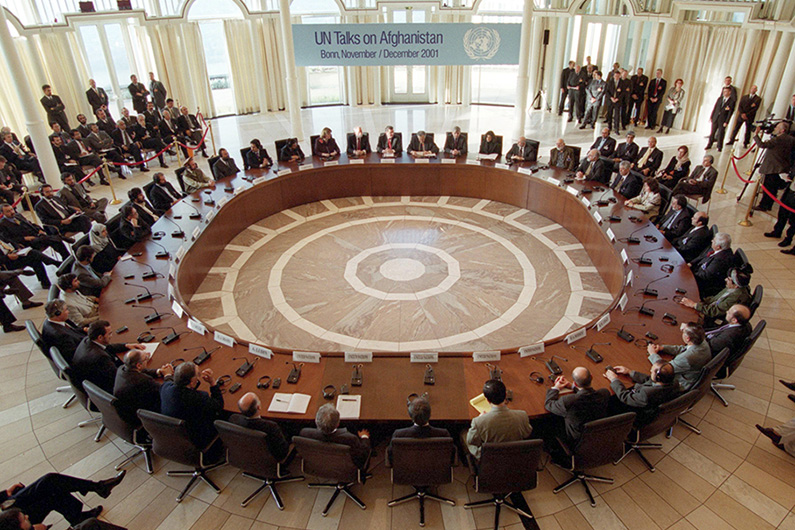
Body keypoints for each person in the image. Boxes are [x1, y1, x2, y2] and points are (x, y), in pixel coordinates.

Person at [0, 471, 125, 528]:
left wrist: (4, 495)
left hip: (7, 512)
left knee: (50, 482)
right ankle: (78, 517)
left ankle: (98, 487)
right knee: (52, 494)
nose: (26, 517)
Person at [160, 361, 225, 453]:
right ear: (191, 382)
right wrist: (213, 383)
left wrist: (167, 374)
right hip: (198, 439)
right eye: (197, 375)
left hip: (175, 437)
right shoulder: (199, 398)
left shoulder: (165, 388)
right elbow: (219, 405)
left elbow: (168, 381)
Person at [465, 379, 532, 460]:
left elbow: (471, 441)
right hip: (516, 460)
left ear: (487, 400)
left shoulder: (478, 422)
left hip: (490, 462)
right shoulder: (522, 416)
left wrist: (481, 418)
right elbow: (527, 433)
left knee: (463, 434)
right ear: (506, 395)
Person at [72, 320, 144, 394]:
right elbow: (121, 376)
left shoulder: (88, 340)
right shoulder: (100, 357)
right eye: (109, 334)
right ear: (100, 337)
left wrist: (126, 346)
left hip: (91, 380)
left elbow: (106, 347)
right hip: (108, 389)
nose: (111, 336)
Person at [545, 367, 609, 445]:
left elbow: (549, 404)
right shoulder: (604, 393)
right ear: (591, 377)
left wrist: (556, 388)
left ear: (575, 383)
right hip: (599, 436)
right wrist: (572, 387)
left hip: (578, 442)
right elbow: (588, 394)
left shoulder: (568, 401)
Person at [604, 361, 680, 424]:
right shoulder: (673, 383)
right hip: (649, 405)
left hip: (638, 415)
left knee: (610, 399)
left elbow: (625, 397)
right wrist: (629, 372)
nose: (650, 371)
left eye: (652, 371)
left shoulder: (646, 393)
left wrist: (614, 379)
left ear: (658, 377)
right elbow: (649, 380)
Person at [300, 403, 370, 469]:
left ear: (316, 422)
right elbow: (362, 456)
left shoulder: (305, 433)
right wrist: (364, 437)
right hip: (345, 469)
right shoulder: (350, 439)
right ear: (338, 424)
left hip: (318, 466)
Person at [114, 349, 173, 426]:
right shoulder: (143, 381)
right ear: (138, 365)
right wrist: (168, 375)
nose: (147, 359)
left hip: (128, 409)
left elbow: (141, 371)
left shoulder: (122, 368)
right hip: (140, 417)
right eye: (146, 358)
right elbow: (165, 391)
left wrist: (159, 371)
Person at [648, 322, 711, 391]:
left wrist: (652, 353)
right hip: (693, 373)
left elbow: (664, 369)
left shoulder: (686, 358)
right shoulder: (702, 341)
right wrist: (662, 348)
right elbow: (684, 348)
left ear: (687, 338)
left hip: (681, 383)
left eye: (683, 332)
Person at [387, 396, 449, 465]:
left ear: (410, 416)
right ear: (430, 414)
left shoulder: (398, 435)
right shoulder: (443, 435)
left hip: (406, 473)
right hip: (436, 474)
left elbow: (391, 457)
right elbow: (450, 457)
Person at [679, 268, 752, 326]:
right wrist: (699, 302)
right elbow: (714, 299)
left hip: (710, 318)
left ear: (736, 285)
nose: (725, 279)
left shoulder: (736, 297)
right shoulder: (732, 288)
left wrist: (694, 305)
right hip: (706, 308)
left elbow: (714, 311)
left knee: (681, 317)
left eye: (729, 279)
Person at [229, 392, 290, 461]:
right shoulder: (271, 427)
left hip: (248, 453)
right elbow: (283, 450)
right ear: (259, 407)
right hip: (273, 457)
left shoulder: (234, 419)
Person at [0, 202, 70, 260]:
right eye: (8, 211)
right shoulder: (2, 224)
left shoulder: (18, 215)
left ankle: (67, 259)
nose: (12, 212)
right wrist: (25, 238)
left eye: (12, 209)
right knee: (53, 239)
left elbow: (30, 224)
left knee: (57, 242)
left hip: (37, 235)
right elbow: (9, 239)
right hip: (28, 242)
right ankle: (61, 237)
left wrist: (39, 230)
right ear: (2, 213)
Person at [752, 122, 795, 211]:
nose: (775, 129)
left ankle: (764, 205)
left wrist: (756, 135)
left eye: (777, 127)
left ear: (782, 130)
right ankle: (769, 204)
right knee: (773, 188)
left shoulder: (778, 139)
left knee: (768, 187)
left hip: (772, 166)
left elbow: (762, 145)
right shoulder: (791, 139)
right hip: (782, 166)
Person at [765, 176, 795, 252]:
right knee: (782, 212)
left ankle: (788, 239)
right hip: (790, 189)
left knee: (793, 220)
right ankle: (777, 231)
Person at [706, 87, 736, 151]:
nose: (724, 93)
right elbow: (715, 108)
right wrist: (711, 117)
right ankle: (709, 144)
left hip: (723, 120)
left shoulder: (732, 101)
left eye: (726, 91)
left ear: (729, 92)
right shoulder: (720, 99)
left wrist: (726, 122)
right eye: (724, 91)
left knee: (721, 133)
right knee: (712, 132)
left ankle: (719, 146)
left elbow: (730, 113)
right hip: (716, 118)